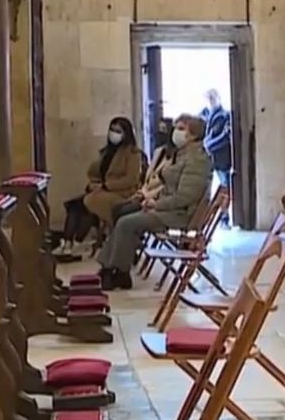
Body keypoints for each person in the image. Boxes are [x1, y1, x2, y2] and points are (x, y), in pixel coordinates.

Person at [97, 113, 214, 290]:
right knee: (123, 212)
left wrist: (156, 204)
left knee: (127, 223)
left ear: (193, 135)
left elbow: (184, 197)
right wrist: (151, 198)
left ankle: (118, 271)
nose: (175, 132)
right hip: (168, 208)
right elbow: (168, 186)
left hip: (179, 214)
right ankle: (110, 267)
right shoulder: (183, 154)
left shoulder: (197, 160)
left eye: (181, 129)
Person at [59, 117, 145, 256]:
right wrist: (94, 184)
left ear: (126, 134)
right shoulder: (107, 151)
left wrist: (105, 186)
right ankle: (67, 241)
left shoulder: (133, 153)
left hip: (123, 194)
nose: (114, 133)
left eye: (118, 131)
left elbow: (131, 180)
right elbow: (97, 172)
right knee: (77, 205)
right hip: (103, 191)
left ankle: (74, 242)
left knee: (87, 203)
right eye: (112, 130)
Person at [200, 89, 232, 188]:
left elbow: (225, 138)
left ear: (219, 98)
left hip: (222, 161)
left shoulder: (224, 116)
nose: (211, 101)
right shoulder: (204, 115)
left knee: (225, 187)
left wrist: (207, 146)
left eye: (212, 98)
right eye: (208, 98)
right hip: (210, 162)